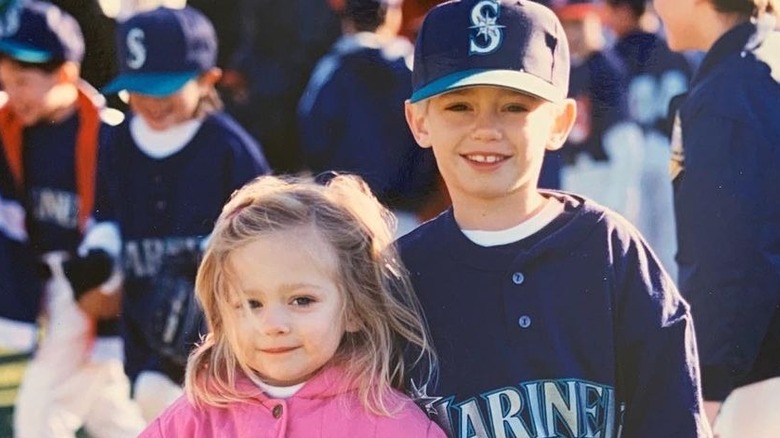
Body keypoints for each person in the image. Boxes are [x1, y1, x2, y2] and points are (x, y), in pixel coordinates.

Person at [401, 0, 710, 436]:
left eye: (516, 107)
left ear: (561, 121)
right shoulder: (398, 278)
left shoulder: (609, 250)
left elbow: (674, 417)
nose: (486, 128)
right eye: (459, 106)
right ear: (419, 120)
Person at [137, 174, 445, 437]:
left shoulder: (391, 423)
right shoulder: (194, 418)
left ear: (354, 308)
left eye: (302, 301)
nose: (272, 325)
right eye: (251, 303)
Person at [90, 5, 271, 422]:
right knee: (154, 405)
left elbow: (263, 229)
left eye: (165, 87)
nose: (151, 102)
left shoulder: (230, 147)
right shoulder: (117, 143)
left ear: (207, 79)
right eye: (139, 88)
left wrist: (210, 257)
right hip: (142, 320)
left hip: (219, 326)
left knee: (224, 417)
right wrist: (99, 258)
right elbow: (107, 215)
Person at [0, 2, 147, 436]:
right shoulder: (11, 129)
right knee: (110, 410)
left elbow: (130, 217)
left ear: (64, 74)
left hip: (90, 281)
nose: (14, 94)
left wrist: (105, 278)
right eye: (6, 82)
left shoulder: (108, 134)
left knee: (39, 411)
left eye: (24, 81)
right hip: (47, 280)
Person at [653, 0, 780, 436]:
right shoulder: (765, 62)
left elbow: (731, 261)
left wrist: (707, 388)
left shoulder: (731, 90)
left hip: (758, 387)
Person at [298, 0, 438, 236]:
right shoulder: (414, 71)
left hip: (341, 215)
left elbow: (313, 135)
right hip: (401, 219)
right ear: (391, 15)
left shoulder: (333, 68)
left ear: (347, 19)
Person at [603, 0, 694, 281]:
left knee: (635, 237)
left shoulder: (615, 54)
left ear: (622, 10)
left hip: (634, 152)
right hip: (672, 150)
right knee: (669, 242)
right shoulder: (677, 52)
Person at [550, 0, 645, 224]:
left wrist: (619, 198)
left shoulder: (606, 67)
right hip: (577, 169)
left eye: (578, 23)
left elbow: (625, 138)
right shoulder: (568, 69)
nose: (572, 33)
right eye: (566, 24)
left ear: (594, 23)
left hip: (605, 169)